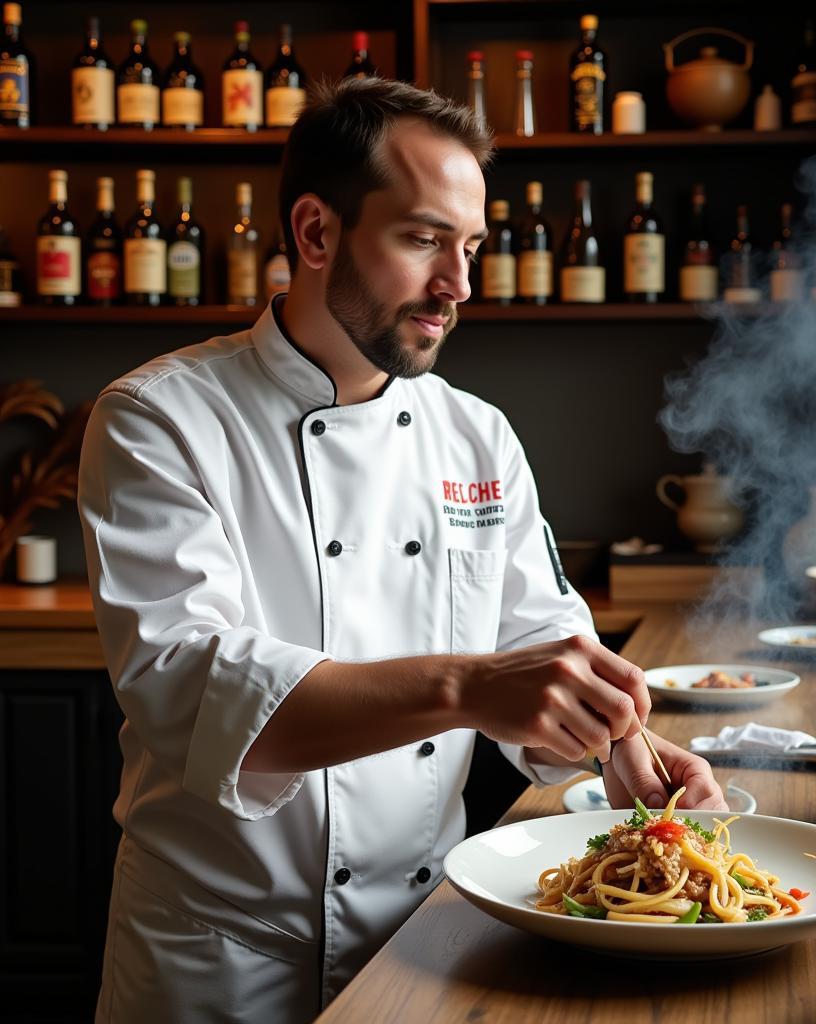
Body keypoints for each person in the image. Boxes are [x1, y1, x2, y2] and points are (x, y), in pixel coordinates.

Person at [78, 76, 725, 1024]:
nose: (459, 287)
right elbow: (192, 687)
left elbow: (543, 640)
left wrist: (617, 745)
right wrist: (469, 686)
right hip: (221, 958)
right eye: (424, 240)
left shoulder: (477, 438)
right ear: (314, 234)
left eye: (470, 248)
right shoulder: (158, 419)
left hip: (432, 936)